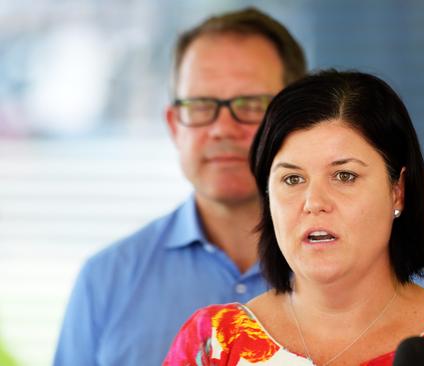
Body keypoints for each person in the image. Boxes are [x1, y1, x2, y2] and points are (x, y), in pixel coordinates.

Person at [164, 70, 424, 365]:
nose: (314, 202)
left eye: (344, 176)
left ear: (397, 191)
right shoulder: (211, 346)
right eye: (292, 179)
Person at [54, 8, 307, 366]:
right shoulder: (106, 280)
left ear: (299, 121)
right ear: (174, 125)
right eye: (200, 105)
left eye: (251, 104)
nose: (222, 128)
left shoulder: (367, 273)